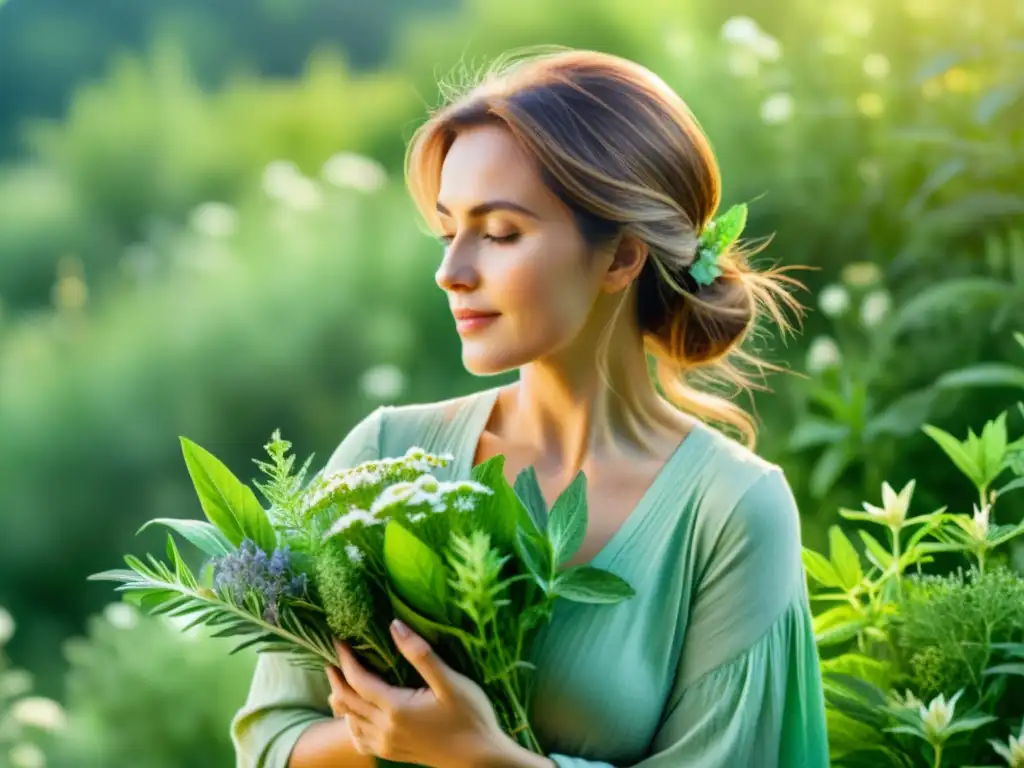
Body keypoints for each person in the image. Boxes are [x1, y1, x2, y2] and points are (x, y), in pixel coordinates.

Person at [231, 46, 829, 768]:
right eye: (451, 230)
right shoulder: (384, 452)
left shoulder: (730, 510)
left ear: (621, 257)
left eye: (501, 233)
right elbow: (267, 741)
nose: (450, 272)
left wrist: (480, 757)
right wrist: (383, 736)